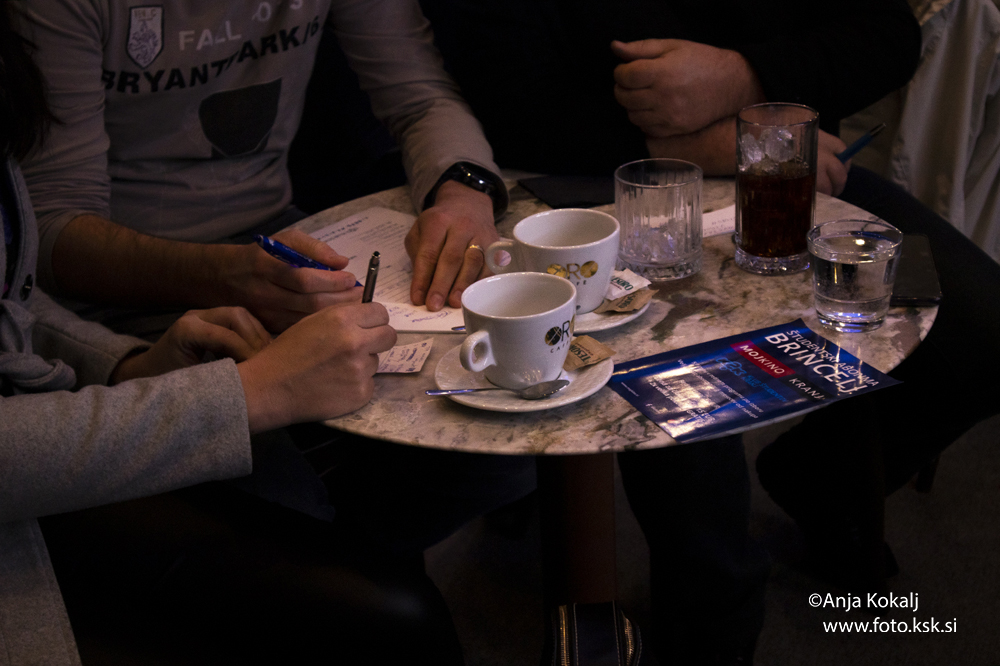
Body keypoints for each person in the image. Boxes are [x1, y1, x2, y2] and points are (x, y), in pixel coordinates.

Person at [409, 1, 921, 663]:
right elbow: (513, 111)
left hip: (787, 168)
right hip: (592, 176)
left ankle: (813, 481)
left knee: (982, 331)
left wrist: (741, 78)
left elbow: (890, 35)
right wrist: (694, 148)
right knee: (683, 398)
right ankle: (713, 618)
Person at [0, 4, 465, 662]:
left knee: (476, 450)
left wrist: (128, 366)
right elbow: (45, 253)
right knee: (345, 575)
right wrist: (246, 390)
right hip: (118, 324)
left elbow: (13, 306)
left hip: (204, 303)